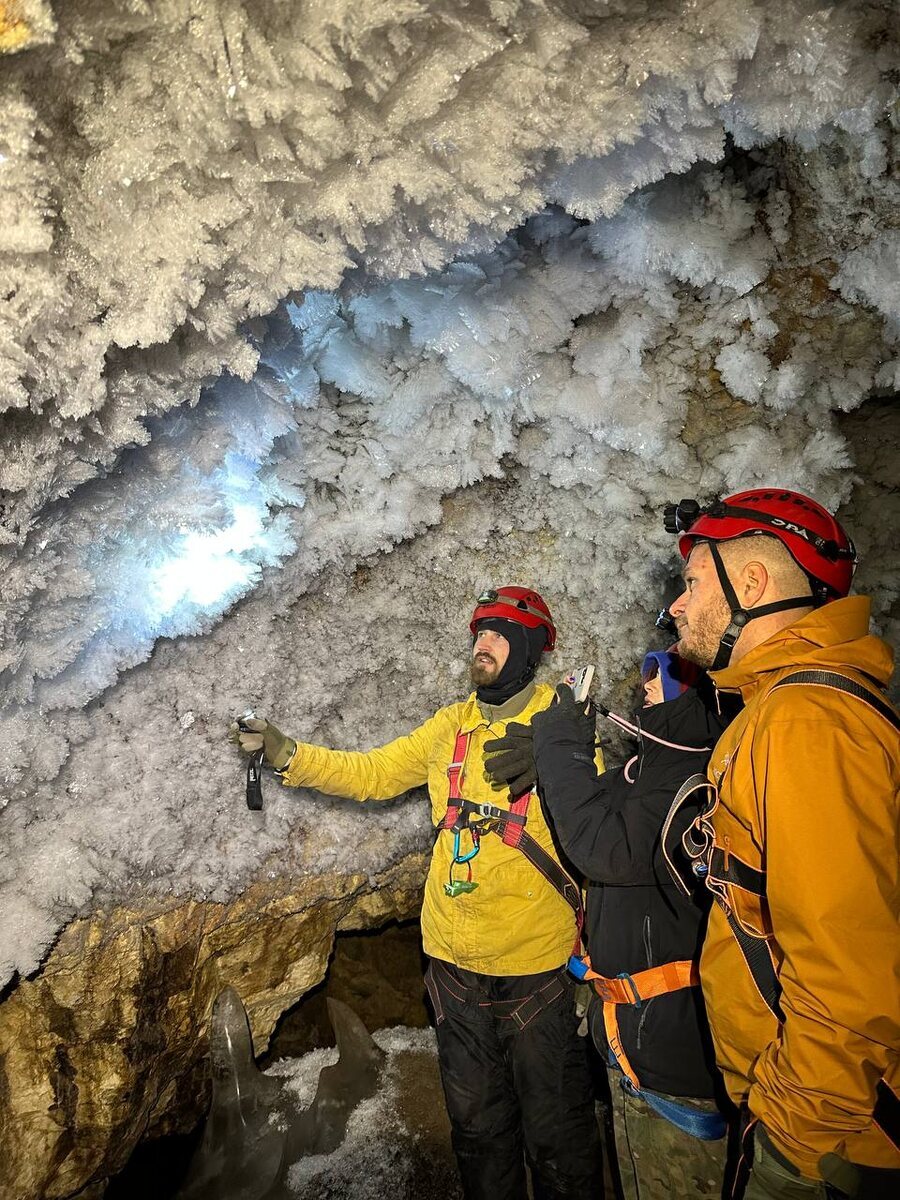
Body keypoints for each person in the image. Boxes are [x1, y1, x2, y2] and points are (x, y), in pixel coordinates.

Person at [232, 586, 604, 1200]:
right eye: (478, 633)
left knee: (558, 1135)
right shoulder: (450, 725)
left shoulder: (564, 725)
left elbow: (602, 818)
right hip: (453, 969)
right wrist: (287, 754)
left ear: (531, 649)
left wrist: (560, 753)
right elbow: (374, 773)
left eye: (498, 635)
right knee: (478, 1129)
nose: (480, 645)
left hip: (535, 969)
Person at [661, 489, 899, 1199]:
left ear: (754, 585)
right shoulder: (784, 708)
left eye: (693, 583)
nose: (677, 605)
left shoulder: (806, 721)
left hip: (823, 1140)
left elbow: (845, 974)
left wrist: (790, 1145)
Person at [487, 648, 736, 1200]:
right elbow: (603, 805)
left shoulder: (696, 778)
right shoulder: (656, 767)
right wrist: (557, 761)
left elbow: (604, 847)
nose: (645, 680)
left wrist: (558, 742)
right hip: (641, 1044)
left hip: (677, 1063)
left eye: (663, 671)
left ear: (697, 690)